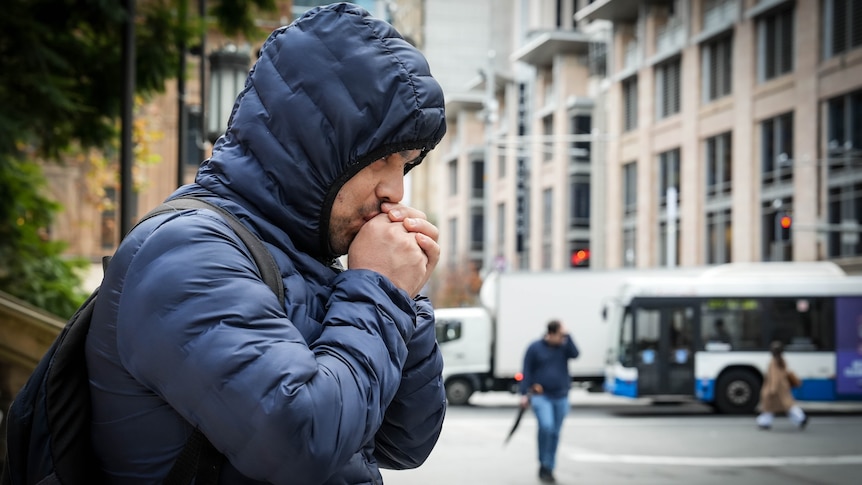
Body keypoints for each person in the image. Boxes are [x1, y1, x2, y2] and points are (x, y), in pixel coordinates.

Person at [84, 3, 447, 484]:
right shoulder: (188, 252)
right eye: (383, 158)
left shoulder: (306, 260)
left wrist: (402, 297)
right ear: (317, 142)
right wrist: (380, 288)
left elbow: (404, 441)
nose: (395, 190)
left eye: (406, 164)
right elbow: (300, 444)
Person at [519, 320, 580, 483]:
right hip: (541, 395)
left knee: (555, 433)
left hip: (561, 396)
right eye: (560, 335)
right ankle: (543, 461)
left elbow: (576, 354)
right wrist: (524, 393)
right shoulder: (535, 348)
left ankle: (548, 467)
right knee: (546, 426)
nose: (562, 338)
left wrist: (568, 334)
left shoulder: (564, 347)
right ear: (551, 334)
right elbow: (526, 370)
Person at [756, 341, 809, 431]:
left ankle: (764, 422)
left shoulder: (773, 362)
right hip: (783, 387)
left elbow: (774, 377)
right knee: (787, 405)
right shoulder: (782, 360)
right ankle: (800, 418)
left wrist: (772, 389)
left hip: (775, 388)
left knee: (770, 407)